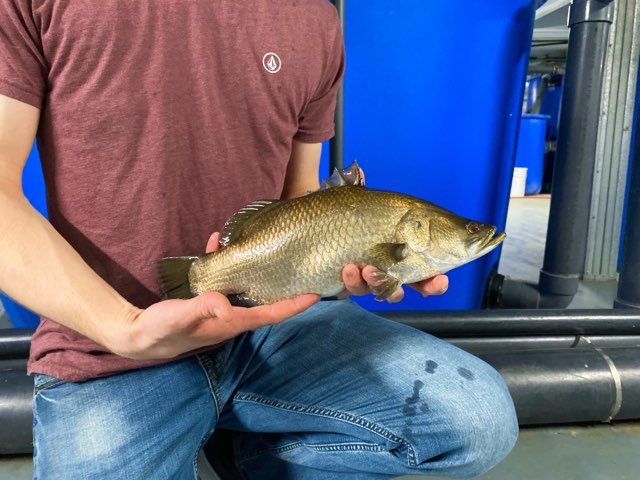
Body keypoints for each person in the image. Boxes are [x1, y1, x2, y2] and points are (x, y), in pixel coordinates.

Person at [0, 1, 518, 478]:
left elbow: (303, 199)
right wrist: (127, 328)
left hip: (269, 328)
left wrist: (343, 268)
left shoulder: (315, 21)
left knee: (476, 419)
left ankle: (245, 452)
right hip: (110, 352)